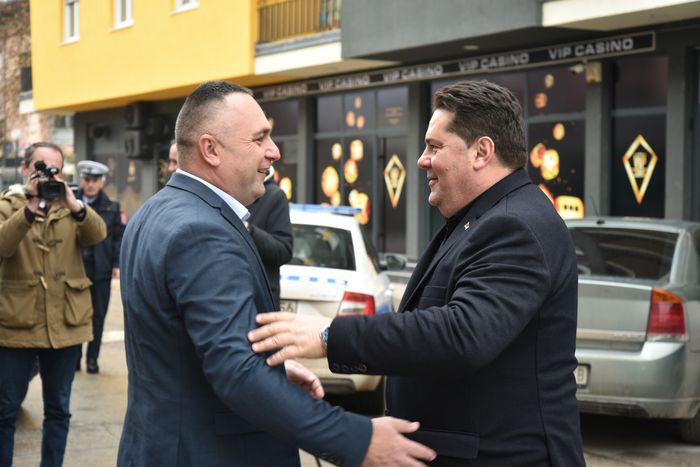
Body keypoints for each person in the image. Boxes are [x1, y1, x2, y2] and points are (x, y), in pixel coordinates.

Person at [249, 80, 586, 466]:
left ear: (482, 152)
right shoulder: (482, 218)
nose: (422, 160)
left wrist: (329, 336)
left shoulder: (514, 225)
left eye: (434, 147)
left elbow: (462, 335)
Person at [117, 81, 435, 467]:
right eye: (259, 138)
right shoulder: (202, 231)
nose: (274, 151)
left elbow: (186, 350)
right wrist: (358, 439)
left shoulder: (155, 211)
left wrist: (276, 373)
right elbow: (236, 372)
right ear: (210, 150)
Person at [0, 142, 107, 467]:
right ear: (25, 169)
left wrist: (74, 204)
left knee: (59, 410)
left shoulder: (69, 206)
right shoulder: (8, 204)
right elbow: (3, 245)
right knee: (5, 411)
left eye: (54, 170)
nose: (48, 176)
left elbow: (98, 235)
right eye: (41, 168)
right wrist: (30, 207)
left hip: (65, 323)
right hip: (17, 323)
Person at [75, 160, 125, 374]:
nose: (90, 184)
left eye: (95, 180)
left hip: (100, 270)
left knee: (98, 317)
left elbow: (118, 237)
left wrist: (116, 263)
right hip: (75, 269)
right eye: (87, 179)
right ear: (82, 180)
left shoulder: (111, 207)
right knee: (75, 316)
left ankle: (92, 359)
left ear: (102, 183)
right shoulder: (71, 202)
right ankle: (74, 359)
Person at [246, 165, 293, 309]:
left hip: (260, 300)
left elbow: (283, 250)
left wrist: (247, 229)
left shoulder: (274, 196)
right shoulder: (230, 190)